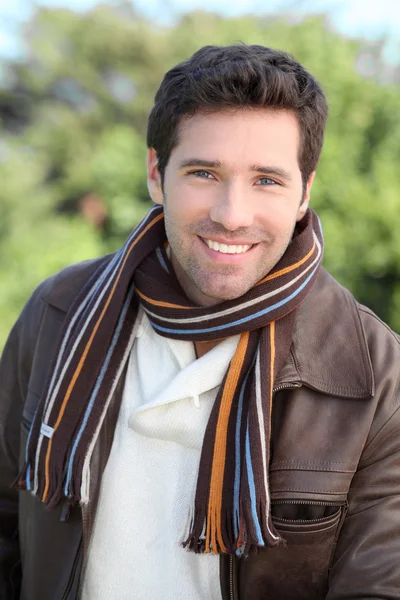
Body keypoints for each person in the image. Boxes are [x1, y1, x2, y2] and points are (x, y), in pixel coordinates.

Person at [0, 43, 399, 600]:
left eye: (267, 180)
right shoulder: (57, 315)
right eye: (205, 172)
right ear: (156, 174)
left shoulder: (375, 372)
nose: (231, 215)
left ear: (305, 192)